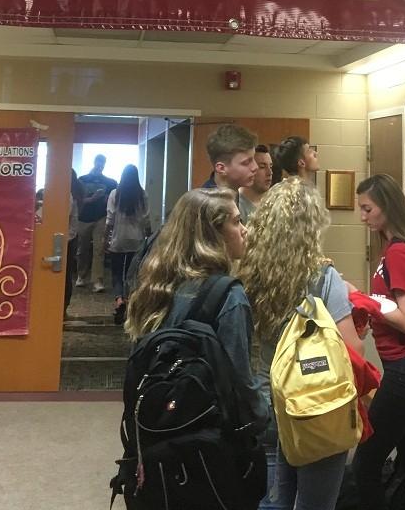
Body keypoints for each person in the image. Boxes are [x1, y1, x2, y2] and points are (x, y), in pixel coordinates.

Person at [237, 177, 365, 510]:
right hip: (314, 405)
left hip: (266, 401)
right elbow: (354, 350)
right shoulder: (324, 277)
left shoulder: (246, 273)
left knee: (271, 500)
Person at [124, 186, 267, 428]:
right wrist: (265, 417)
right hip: (207, 429)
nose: (245, 230)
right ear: (213, 234)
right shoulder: (229, 295)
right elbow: (238, 380)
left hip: (155, 422)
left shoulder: (156, 285)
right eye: (237, 222)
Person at [351, 174, 405, 510]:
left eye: (367, 209)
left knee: (366, 462)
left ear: (386, 207)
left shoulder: (400, 252)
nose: (362, 217)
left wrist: (364, 300)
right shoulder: (396, 248)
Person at [104, 164, 150, 325]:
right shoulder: (141, 194)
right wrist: (149, 237)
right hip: (136, 240)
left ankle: (119, 300)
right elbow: (146, 219)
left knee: (117, 273)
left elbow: (110, 219)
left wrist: (105, 239)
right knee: (132, 274)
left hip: (118, 239)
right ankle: (130, 302)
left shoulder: (115, 194)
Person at [76, 154, 117, 292]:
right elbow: (77, 200)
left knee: (99, 250)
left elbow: (114, 200)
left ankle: (97, 281)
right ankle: (81, 276)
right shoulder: (82, 180)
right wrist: (92, 199)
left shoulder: (110, 182)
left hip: (101, 218)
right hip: (83, 218)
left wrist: (106, 200)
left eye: (102, 163)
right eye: (98, 162)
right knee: (82, 249)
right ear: (94, 162)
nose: (100, 165)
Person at [202, 124, 259, 222]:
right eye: (246, 162)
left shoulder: (232, 195)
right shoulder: (209, 207)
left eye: (253, 159)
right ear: (221, 168)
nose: (255, 167)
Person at [64, 170, 85, 318]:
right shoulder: (76, 193)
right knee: (66, 276)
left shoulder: (66, 196)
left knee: (63, 276)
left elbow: (63, 217)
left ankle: (61, 308)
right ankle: (63, 307)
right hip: (71, 237)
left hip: (64, 239)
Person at [240, 144, 274, 213]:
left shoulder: (273, 202)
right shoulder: (235, 207)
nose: (270, 173)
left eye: (270, 167)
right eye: (262, 167)